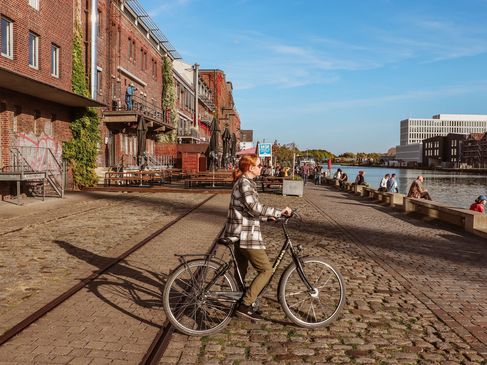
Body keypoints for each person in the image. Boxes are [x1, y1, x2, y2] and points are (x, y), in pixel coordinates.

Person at [224, 155, 292, 320]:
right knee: (266, 270)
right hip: (246, 235)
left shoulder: (244, 183)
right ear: (250, 167)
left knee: (241, 271)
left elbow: (248, 211)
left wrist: (266, 218)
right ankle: (245, 305)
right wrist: (278, 212)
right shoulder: (244, 183)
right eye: (259, 165)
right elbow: (254, 206)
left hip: (239, 232)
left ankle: (239, 302)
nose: (261, 167)